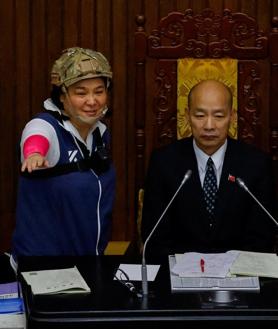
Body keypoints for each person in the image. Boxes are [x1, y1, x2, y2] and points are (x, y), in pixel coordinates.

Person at [141, 79, 277, 262]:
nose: (209, 125)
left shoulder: (256, 164)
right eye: (200, 115)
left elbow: (262, 237)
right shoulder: (164, 162)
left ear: (233, 116)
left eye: (219, 116)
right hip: (178, 275)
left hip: (239, 276)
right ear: (187, 115)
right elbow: (154, 236)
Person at [11, 47, 116, 262]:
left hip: (88, 261)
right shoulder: (46, 125)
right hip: (44, 265)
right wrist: (34, 154)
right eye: (81, 92)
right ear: (62, 96)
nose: (92, 101)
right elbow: (36, 136)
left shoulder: (100, 134)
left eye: (99, 91)